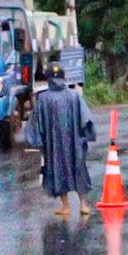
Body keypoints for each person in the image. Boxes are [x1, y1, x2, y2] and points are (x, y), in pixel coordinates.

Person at [25, 68, 97, 221]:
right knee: (79, 170)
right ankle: (84, 205)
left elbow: (35, 122)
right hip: (75, 142)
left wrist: (36, 140)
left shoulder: (43, 98)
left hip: (53, 144)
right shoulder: (74, 96)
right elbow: (86, 119)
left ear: (49, 79)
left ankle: (66, 206)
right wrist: (88, 135)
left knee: (56, 171)